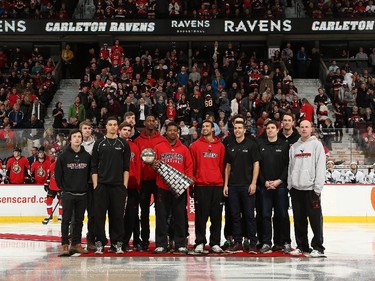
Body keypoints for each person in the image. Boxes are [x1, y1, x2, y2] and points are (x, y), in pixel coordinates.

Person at [91, 117, 131, 254]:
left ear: (117, 127)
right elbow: (94, 166)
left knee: (117, 216)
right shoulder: (99, 143)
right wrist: (96, 185)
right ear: (106, 127)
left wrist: (124, 185)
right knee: (99, 216)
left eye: (115, 125)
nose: (113, 127)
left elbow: (127, 167)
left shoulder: (123, 144)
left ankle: (117, 243)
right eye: (110, 125)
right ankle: (100, 243)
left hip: (118, 186)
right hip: (102, 185)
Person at [153, 122, 193, 254]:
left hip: (179, 188)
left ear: (178, 133)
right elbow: (153, 164)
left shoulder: (184, 149)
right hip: (162, 187)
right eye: (170, 130)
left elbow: (188, 167)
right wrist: (153, 164)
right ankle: (161, 244)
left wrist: (189, 180)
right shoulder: (158, 147)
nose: (172, 133)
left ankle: (180, 243)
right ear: (166, 132)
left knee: (180, 216)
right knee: (161, 216)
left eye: (175, 131)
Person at [287, 120, 326, 257]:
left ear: (311, 129)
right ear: (298, 129)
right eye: (302, 127)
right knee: (299, 219)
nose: (304, 129)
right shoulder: (294, 147)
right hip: (296, 189)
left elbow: (321, 166)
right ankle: (302, 246)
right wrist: (290, 185)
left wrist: (318, 188)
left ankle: (318, 247)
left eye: (306, 127)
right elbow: (291, 168)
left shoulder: (316, 145)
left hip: (311, 189)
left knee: (315, 220)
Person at [223, 120, 260, 253]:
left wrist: (254, 183)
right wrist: (226, 185)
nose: (237, 130)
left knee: (249, 216)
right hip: (233, 186)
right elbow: (227, 167)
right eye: (235, 128)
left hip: (247, 186)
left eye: (240, 128)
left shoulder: (251, 145)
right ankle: (237, 242)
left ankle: (252, 243)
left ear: (244, 130)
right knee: (235, 216)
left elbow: (256, 164)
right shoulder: (230, 146)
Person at [190, 120, 225, 254]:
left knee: (216, 216)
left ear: (213, 129)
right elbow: (192, 166)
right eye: (203, 126)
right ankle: (199, 242)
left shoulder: (220, 146)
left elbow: (222, 166)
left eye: (207, 126)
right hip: (201, 185)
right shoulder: (195, 146)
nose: (204, 128)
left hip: (217, 185)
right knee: (200, 216)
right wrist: (194, 182)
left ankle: (215, 242)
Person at [55, 129, 91, 255]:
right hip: (68, 194)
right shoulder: (63, 156)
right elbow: (58, 175)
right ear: (70, 139)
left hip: (82, 194)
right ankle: (65, 244)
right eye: (74, 136)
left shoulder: (87, 156)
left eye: (79, 137)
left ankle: (76, 244)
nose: (77, 139)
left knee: (79, 221)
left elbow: (90, 174)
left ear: (82, 139)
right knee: (66, 220)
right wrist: (63, 188)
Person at [257, 120, 291, 254]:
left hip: (280, 187)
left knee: (282, 215)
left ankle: (284, 242)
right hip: (265, 187)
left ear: (277, 130)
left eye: (272, 128)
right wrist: (264, 181)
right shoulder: (261, 145)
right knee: (265, 215)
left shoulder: (284, 145)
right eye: (268, 128)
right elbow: (257, 166)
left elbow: (287, 166)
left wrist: (279, 180)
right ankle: (266, 242)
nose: (270, 130)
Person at [134, 114, 165, 251]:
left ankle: (160, 241)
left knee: (161, 212)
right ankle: (144, 240)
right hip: (144, 181)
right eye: (149, 121)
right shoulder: (138, 141)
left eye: (153, 121)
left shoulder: (162, 140)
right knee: (144, 212)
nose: (151, 123)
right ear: (144, 123)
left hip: (159, 181)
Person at [119, 122, 141, 252]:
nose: (127, 132)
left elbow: (137, 166)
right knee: (117, 215)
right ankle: (117, 240)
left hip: (132, 186)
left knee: (131, 215)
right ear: (119, 130)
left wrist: (138, 183)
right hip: (117, 185)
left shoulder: (135, 147)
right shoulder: (114, 145)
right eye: (124, 129)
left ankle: (126, 241)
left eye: (129, 130)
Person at [80, 120, 96, 251]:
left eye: (89, 128)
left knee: (92, 213)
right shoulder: (74, 143)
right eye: (85, 128)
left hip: (91, 183)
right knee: (76, 214)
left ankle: (91, 238)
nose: (87, 130)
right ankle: (74, 239)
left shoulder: (96, 145)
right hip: (77, 184)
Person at [42, 150, 63, 224]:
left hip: (60, 187)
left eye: (59, 157)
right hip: (52, 186)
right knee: (48, 201)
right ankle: (49, 215)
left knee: (61, 202)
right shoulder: (52, 165)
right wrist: (46, 184)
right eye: (56, 157)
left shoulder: (64, 166)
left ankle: (61, 216)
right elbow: (49, 176)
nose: (57, 159)